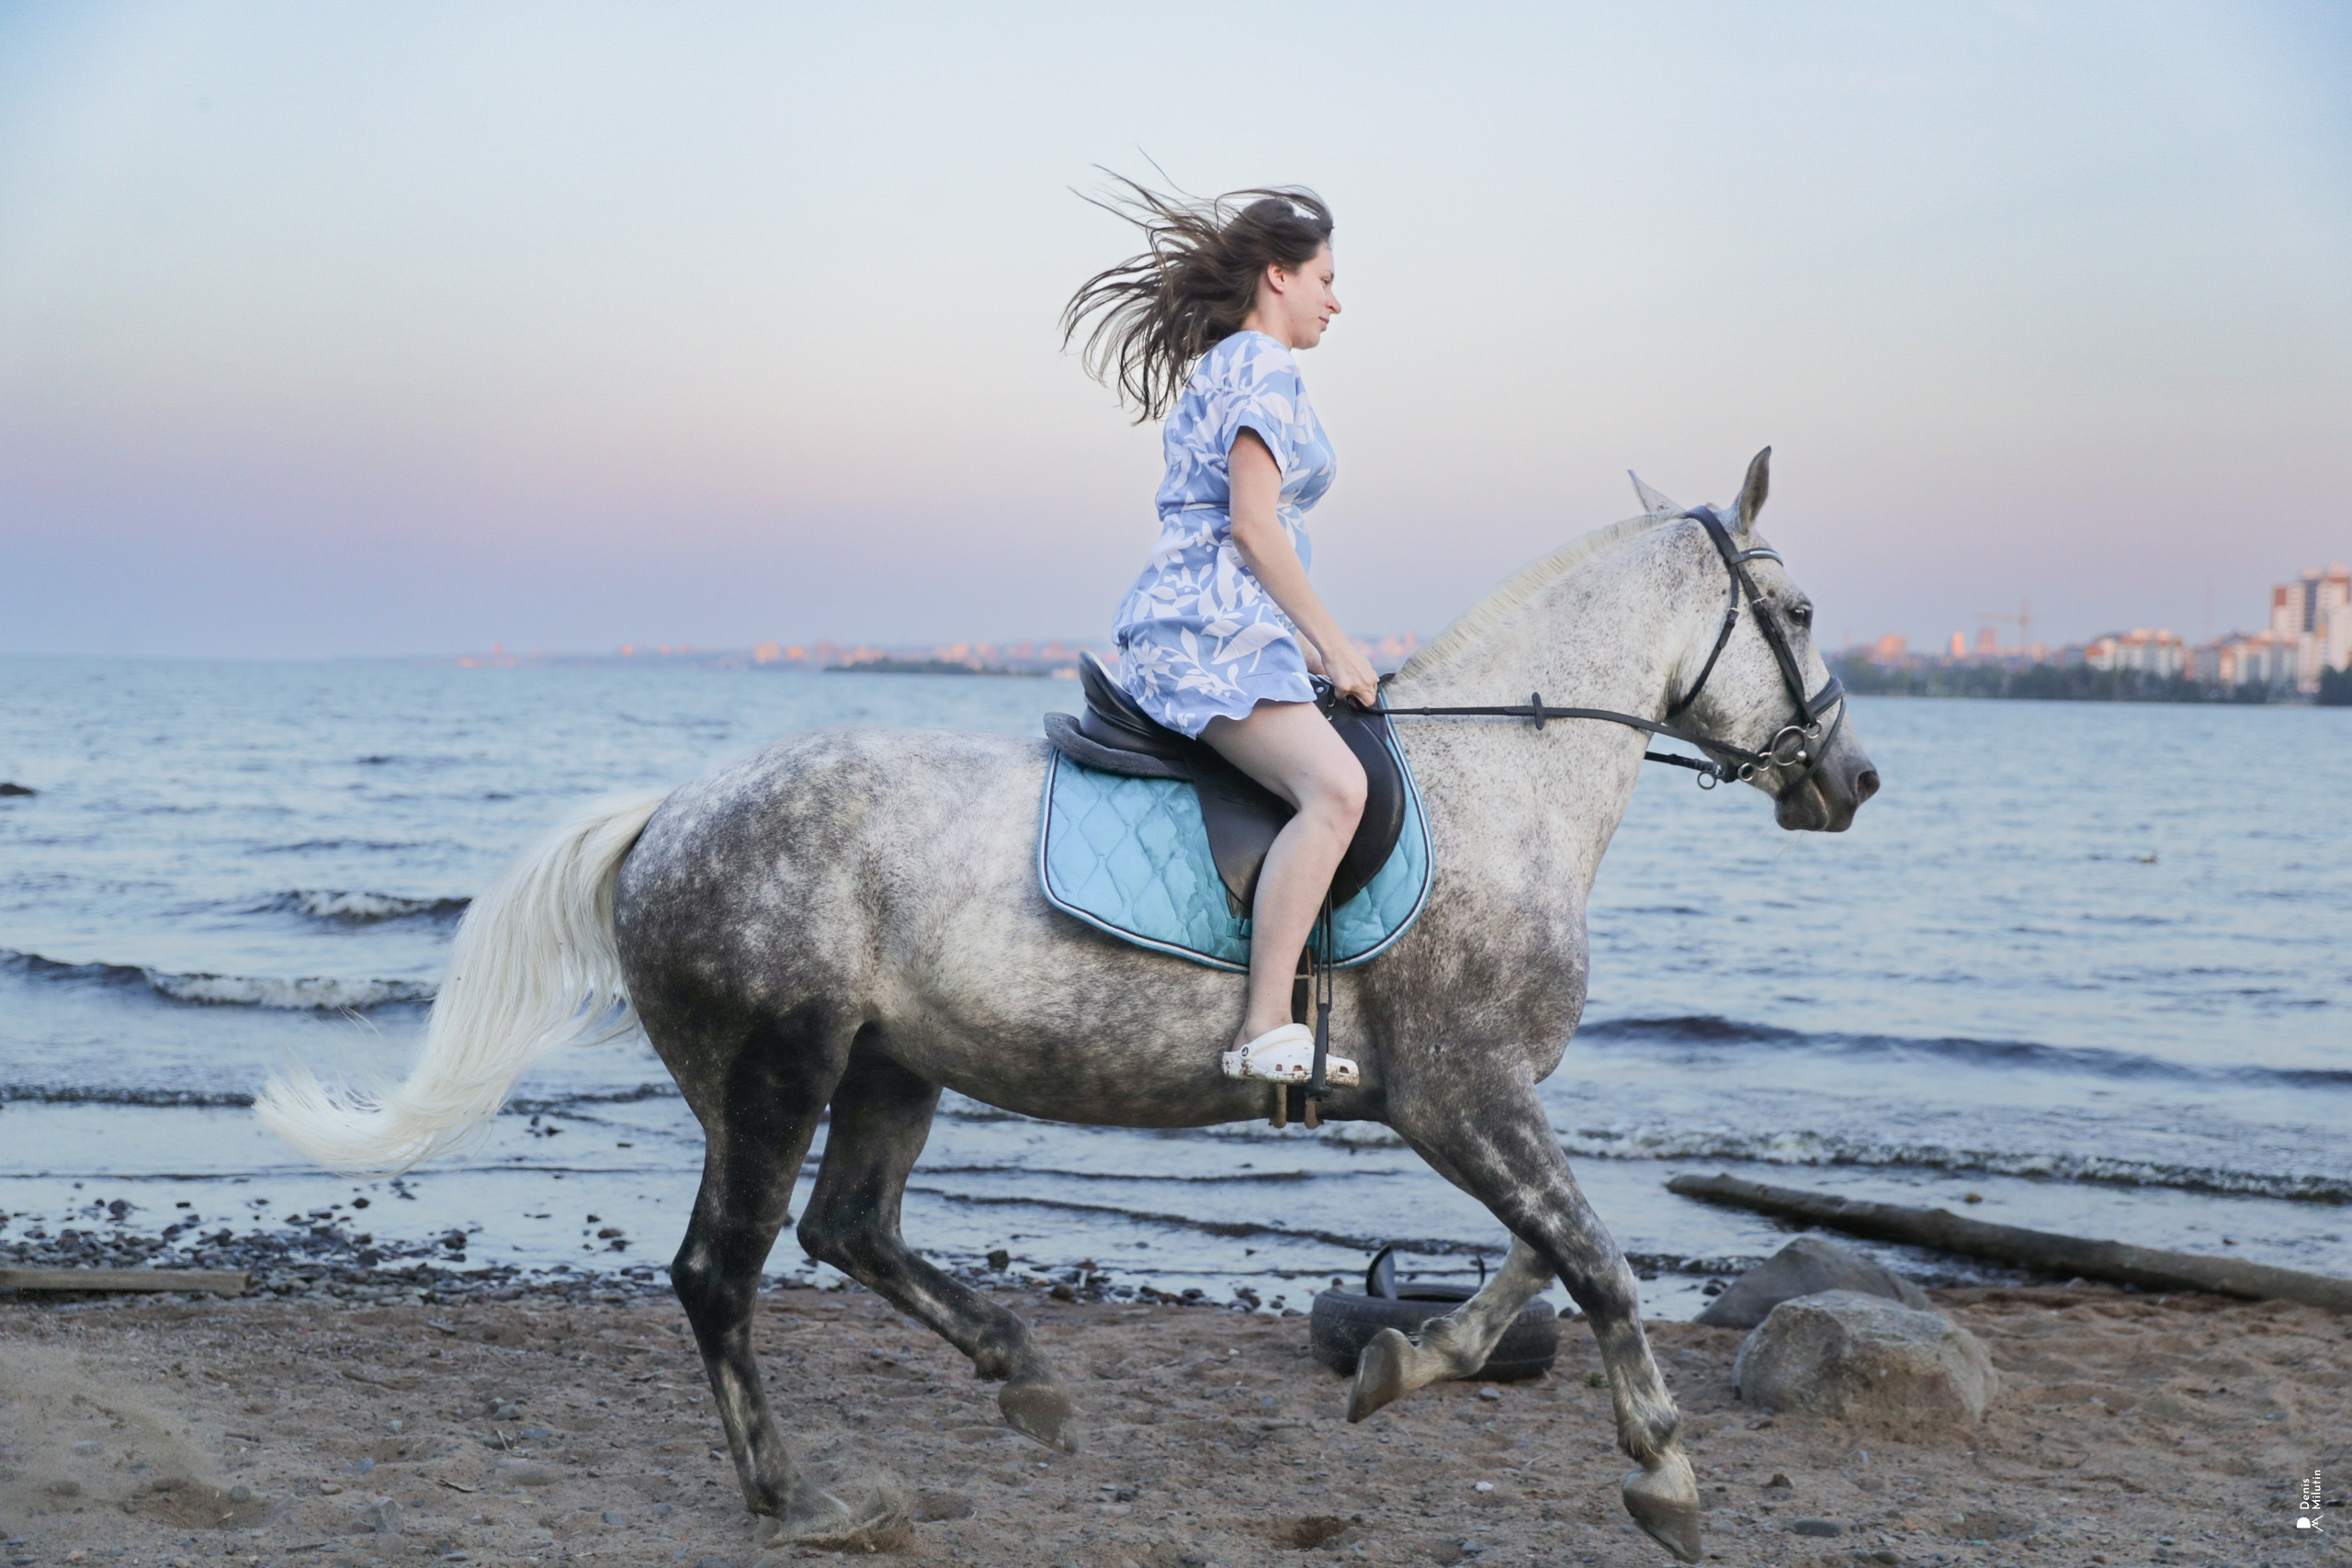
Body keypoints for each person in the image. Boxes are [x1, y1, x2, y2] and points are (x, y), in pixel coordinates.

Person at [1062, 179, 1378, 1087]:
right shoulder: (1262, 365)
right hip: (1208, 629)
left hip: (1223, 620)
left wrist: (1308, 647)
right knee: (1338, 791)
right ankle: (1264, 1024)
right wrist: (1338, 647)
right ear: (1278, 274)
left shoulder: (1232, 363)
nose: (1335, 301)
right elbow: (1252, 527)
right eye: (1325, 279)